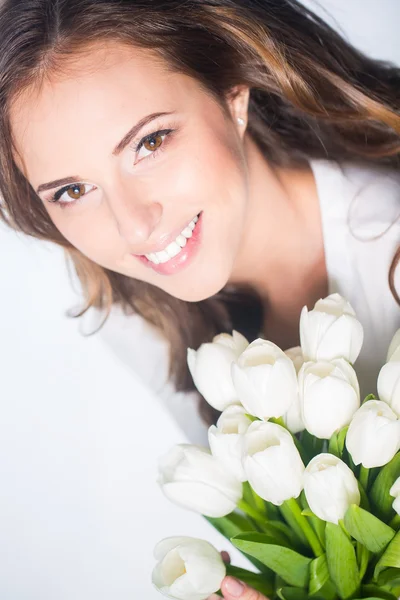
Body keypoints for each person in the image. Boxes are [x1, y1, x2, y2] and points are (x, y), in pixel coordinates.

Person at [0, 1, 399, 598]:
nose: (135, 227)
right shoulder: (137, 316)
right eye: (73, 190)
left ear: (232, 95)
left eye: (151, 142)